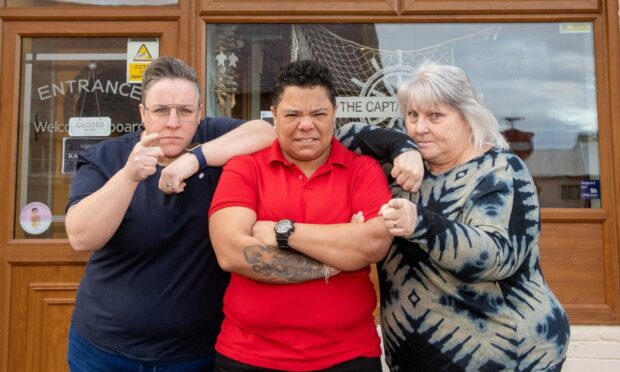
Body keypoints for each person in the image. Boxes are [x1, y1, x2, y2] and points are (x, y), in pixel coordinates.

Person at [64, 56, 275, 371]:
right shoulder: (106, 157)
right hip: (105, 352)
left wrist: (194, 160)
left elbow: (267, 132)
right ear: (143, 113)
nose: (173, 122)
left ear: (200, 114)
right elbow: (81, 237)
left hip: (195, 354)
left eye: (185, 112)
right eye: (161, 110)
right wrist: (129, 177)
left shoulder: (212, 136)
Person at [374, 62, 570, 371]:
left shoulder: (502, 170)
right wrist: (399, 145)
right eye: (412, 116)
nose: (419, 128)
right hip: (417, 357)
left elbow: (496, 255)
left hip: (504, 354)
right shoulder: (405, 169)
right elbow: (344, 135)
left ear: (468, 116)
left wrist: (420, 224)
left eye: (435, 116)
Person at [208, 60, 394, 371]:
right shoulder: (245, 168)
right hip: (248, 356)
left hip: (348, 357)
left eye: (318, 114)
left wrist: (284, 232)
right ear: (275, 115)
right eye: (293, 114)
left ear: (334, 113)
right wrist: (332, 260)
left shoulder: (362, 171)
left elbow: (372, 245)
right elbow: (231, 253)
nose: (306, 124)